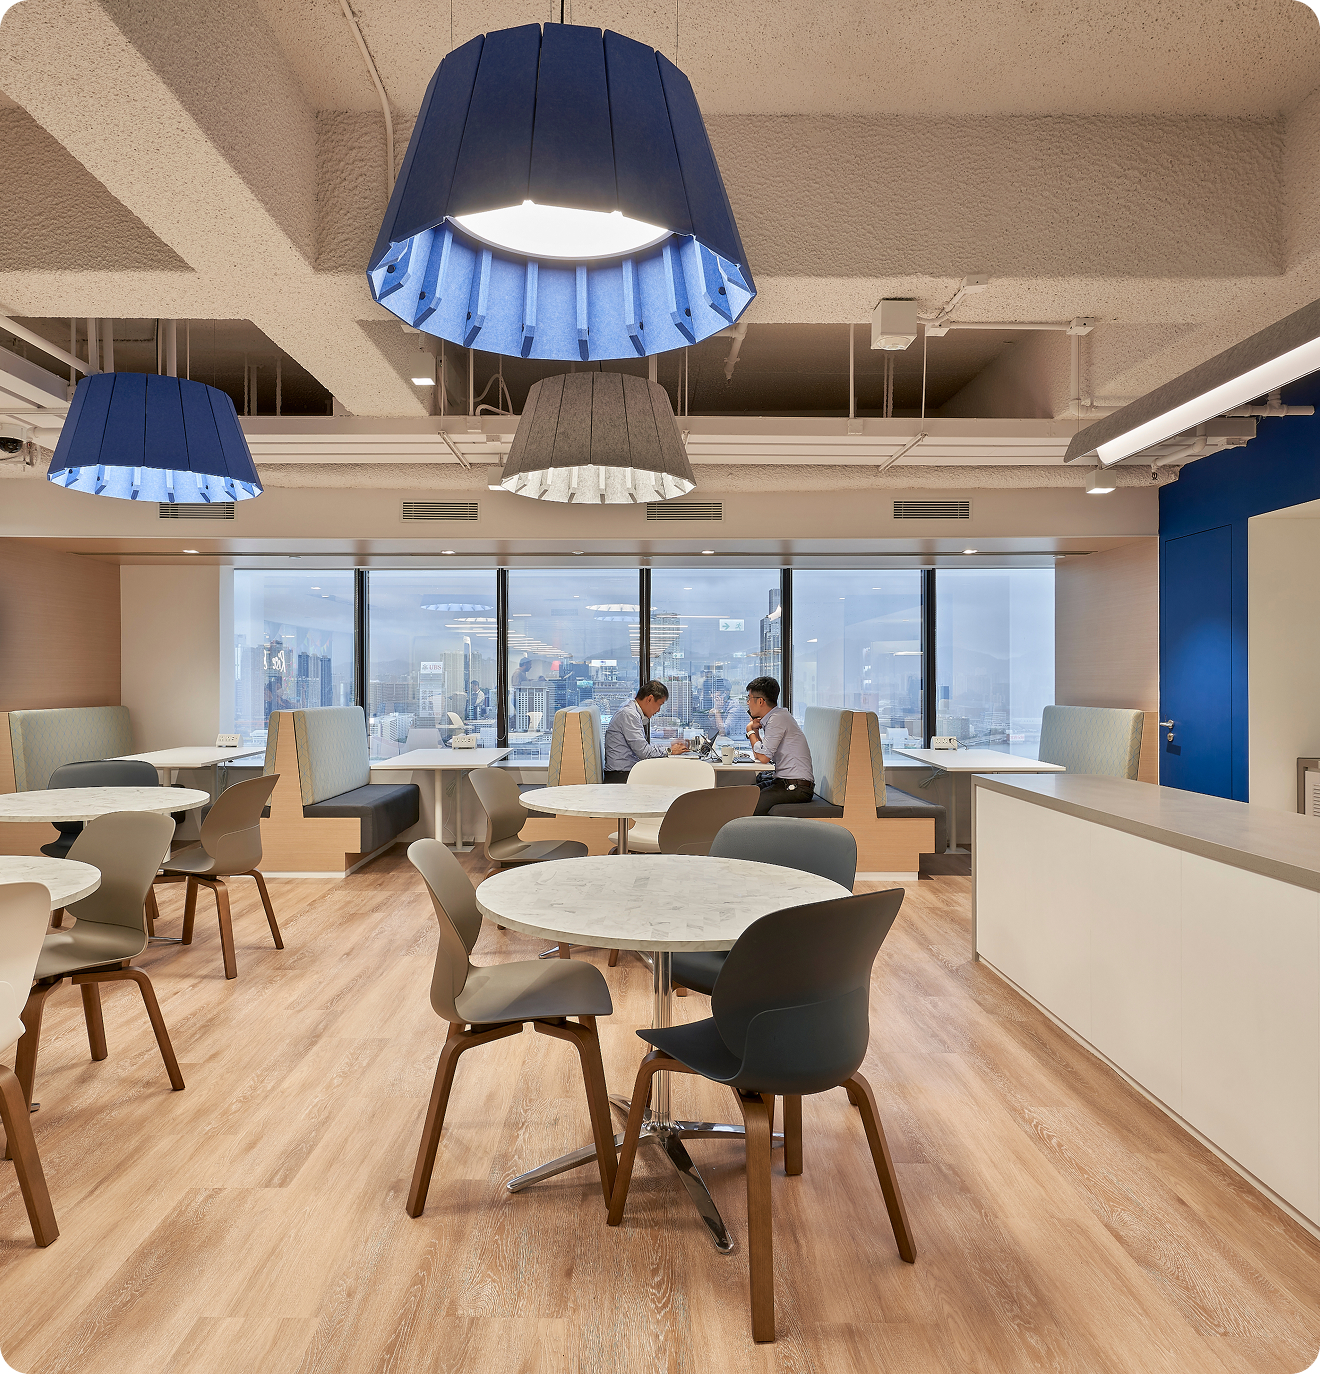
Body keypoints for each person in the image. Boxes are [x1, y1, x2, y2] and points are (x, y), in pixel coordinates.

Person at [744, 676, 814, 815]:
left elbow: (763, 757)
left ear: (760, 701)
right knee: (746, 795)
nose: (747, 703)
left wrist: (750, 730)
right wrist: (755, 730)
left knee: (749, 806)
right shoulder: (774, 718)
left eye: (749, 698)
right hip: (783, 781)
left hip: (797, 787)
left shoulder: (777, 719)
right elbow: (760, 754)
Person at [603, 680, 690, 782]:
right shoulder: (629, 714)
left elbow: (643, 748)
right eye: (660, 704)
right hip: (620, 777)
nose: (658, 710)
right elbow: (644, 753)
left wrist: (670, 745)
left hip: (625, 773)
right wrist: (670, 750)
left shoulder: (631, 711)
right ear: (650, 699)